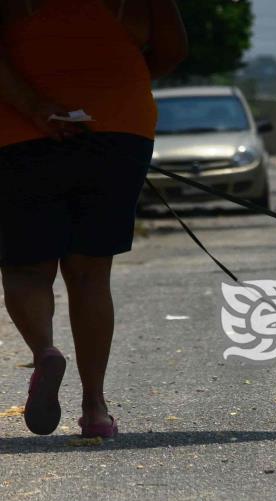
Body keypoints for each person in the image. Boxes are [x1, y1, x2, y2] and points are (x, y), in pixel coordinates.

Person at [0, 0, 187, 437]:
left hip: (18, 133)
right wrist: (112, 82)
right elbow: (173, 50)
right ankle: (95, 408)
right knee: (90, 273)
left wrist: (34, 104)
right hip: (116, 126)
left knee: (27, 267)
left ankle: (45, 351)